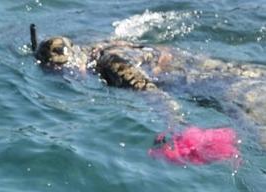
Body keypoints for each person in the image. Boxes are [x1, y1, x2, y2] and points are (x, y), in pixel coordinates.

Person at [31, 25, 266, 146]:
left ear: (75, 62)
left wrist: (175, 124)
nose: (71, 78)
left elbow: (151, 92)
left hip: (219, 85)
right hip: (216, 69)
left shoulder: (111, 64)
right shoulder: (100, 46)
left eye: (67, 72)